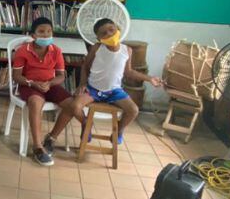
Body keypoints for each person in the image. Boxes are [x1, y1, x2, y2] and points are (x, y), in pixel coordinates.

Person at [45, 19, 161, 149]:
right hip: (93, 89)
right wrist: (82, 84)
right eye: (104, 33)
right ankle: (86, 124)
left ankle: (119, 130)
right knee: (75, 106)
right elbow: (85, 66)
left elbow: (129, 72)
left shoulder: (127, 50)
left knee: (133, 110)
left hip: (114, 91)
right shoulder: (97, 48)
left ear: (117, 28)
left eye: (111, 29)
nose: (109, 34)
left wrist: (149, 78)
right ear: (99, 38)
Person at [12, 17, 73, 166]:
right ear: (33, 35)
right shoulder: (22, 51)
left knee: (73, 105)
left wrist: (49, 83)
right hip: (29, 85)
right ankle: (38, 147)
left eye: (49, 31)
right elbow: (17, 76)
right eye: (41, 32)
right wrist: (32, 83)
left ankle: (51, 138)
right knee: (35, 103)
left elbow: (60, 76)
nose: (46, 35)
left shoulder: (56, 51)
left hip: (50, 85)